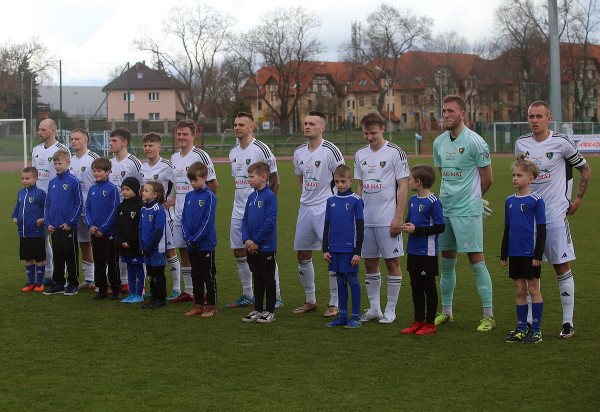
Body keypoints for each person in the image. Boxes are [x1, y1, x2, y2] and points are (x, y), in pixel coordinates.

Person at [514, 100, 591, 339]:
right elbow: (521, 175)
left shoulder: (561, 142)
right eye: (531, 116)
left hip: (555, 215)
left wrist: (577, 200)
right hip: (528, 218)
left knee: (561, 266)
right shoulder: (521, 143)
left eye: (539, 116)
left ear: (548, 119)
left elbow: (585, 169)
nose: (534, 120)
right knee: (529, 268)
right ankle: (528, 323)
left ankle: (568, 322)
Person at [432, 94, 495, 332]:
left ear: (463, 114)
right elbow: (443, 174)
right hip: (445, 209)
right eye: (444, 111)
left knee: (476, 261)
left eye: (451, 111)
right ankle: (447, 312)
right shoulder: (438, 142)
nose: (446, 115)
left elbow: (488, 178)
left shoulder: (476, 142)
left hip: (467, 211)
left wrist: (474, 199)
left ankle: (488, 315)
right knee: (446, 262)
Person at [354, 111, 409, 324]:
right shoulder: (360, 154)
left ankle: (390, 309)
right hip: (366, 219)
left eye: (373, 133)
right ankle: (375, 308)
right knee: (370, 263)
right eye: (366, 133)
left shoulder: (395, 152)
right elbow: (360, 185)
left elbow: (403, 185)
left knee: (392, 262)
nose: (369, 137)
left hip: (388, 219)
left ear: (383, 129)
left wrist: (398, 217)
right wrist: (357, 216)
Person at [227, 112, 282, 309]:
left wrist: (268, 207)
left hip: (259, 209)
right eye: (235, 124)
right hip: (239, 208)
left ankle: (276, 296)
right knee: (239, 250)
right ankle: (248, 294)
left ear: (251, 127)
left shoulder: (261, 149)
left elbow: (275, 180)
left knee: (264, 251)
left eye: (241, 124)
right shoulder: (233, 152)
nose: (237, 127)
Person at [292, 111, 345, 317]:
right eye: (305, 123)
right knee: (303, 255)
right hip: (305, 207)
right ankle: (310, 300)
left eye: (312, 124)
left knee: (331, 255)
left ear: (322, 128)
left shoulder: (330, 150)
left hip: (326, 208)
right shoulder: (298, 153)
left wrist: (336, 207)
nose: (307, 126)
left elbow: (341, 179)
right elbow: (301, 181)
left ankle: (334, 302)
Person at [169, 119, 218, 304]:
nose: (181, 137)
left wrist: (203, 208)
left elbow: (213, 184)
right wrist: (174, 200)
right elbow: (177, 185)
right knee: (184, 249)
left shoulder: (201, 155)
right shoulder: (174, 157)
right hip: (179, 212)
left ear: (193, 136)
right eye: (179, 134)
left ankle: (204, 291)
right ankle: (189, 291)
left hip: (196, 213)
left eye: (185, 134)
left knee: (199, 252)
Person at [501, 157, 546, 344]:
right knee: (520, 290)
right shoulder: (509, 201)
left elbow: (542, 229)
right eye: (514, 175)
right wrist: (504, 253)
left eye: (519, 175)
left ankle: (536, 330)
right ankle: (521, 329)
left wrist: (538, 254)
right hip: (515, 253)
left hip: (530, 253)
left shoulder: (536, 200)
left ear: (531, 179)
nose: (515, 178)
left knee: (533, 290)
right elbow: (508, 228)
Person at [400, 165, 445, 335]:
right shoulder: (412, 200)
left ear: (418, 182)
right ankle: (418, 321)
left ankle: (430, 324)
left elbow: (440, 227)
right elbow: (410, 219)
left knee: (428, 287)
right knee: (415, 287)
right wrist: (407, 225)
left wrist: (416, 230)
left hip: (427, 253)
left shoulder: (434, 202)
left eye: (410, 179)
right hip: (413, 251)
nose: (409, 181)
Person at [322, 164, 364, 329]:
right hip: (334, 249)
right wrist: (325, 249)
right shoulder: (330, 201)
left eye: (343, 181)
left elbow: (360, 228)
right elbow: (327, 226)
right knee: (340, 281)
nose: (340, 185)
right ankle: (343, 316)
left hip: (349, 250)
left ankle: (356, 317)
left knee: (352, 280)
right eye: (337, 181)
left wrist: (357, 252)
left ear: (350, 180)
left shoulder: (356, 201)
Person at [140, 132, 181, 301]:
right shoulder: (142, 167)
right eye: (145, 145)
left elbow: (182, 186)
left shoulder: (167, 166)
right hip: (148, 217)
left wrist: (172, 201)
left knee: (169, 251)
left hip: (165, 216)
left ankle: (177, 288)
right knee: (149, 249)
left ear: (159, 147)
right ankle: (153, 287)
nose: (147, 148)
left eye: (151, 145)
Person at [32, 118, 70, 285]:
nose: (39, 132)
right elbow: (34, 175)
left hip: (56, 201)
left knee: (59, 240)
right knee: (42, 239)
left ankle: (61, 276)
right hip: (38, 201)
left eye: (42, 129)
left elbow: (66, 176)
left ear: (52, 131)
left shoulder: (62, 150)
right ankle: (49, 274)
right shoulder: (36, 150)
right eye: (39, 129)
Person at [241, 161, 278, 323]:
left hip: (266, 246)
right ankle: (257, 309)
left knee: (268, 277)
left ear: (263, 177)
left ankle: (269, 311)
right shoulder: (251, 197)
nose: (249, 179)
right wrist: (247, 240)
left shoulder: (270, 197)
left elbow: (269, 222)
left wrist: (256, 241)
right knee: (257, 277)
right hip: (252, 246)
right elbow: (244, 220)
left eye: (251, 177)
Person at [42, 150, 83, 296]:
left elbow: (79, 203)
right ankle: (59, 283)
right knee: (58, 256)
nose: (57, 166)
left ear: (68, 163)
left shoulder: (74, 181)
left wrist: (70, 222)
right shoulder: (52, 182)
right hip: (54, 226)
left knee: (71, 256)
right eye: (55, 164)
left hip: (68, 226)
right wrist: (48, 222)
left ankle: (73, 284)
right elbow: (47, 204)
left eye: (60, 163)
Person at [109, 127, 144, 294]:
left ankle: (140, 284)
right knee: (118, 248)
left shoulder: (133, 162)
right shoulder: (109, 163)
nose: (110, 143)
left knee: (133, 247)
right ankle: (123, 282)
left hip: (131, 211)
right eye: (110, 140)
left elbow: (141, 187)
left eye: (114, 141)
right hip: (116, 211)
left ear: (124, 143)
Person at [181, 162, 218, 318]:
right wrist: (188, 237)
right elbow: (183, 219)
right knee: (195, 275)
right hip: (191, 244)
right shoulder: (189, 196)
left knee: (208, 275)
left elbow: (207, 221)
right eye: (190, 180)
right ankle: (198, 305)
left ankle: (212, 306)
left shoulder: (210, 196)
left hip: (205, 244)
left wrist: (196, 238)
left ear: (204, 177)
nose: (192, 183)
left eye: (195, 180)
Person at [85, 158, 121, 300]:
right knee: (98, 261)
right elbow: (87, 208)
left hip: (109, 232)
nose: (96, 173)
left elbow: (114, 210)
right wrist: (90, 225)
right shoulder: (92, 189)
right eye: (94, 171)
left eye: (99, 171)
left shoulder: (112, 189)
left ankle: (116, 289)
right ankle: (102, 289)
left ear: (108, 172)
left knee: (112, 262)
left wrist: (103, 228)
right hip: (95, 232)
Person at [69, 128, 99, 291]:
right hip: (76, 210)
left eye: (77, 139)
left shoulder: (93, 158)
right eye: (72, 139)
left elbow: (101, 182)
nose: (73, 141)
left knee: (98, 244)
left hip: (93, 210)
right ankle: (89, 279)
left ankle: (102, 279)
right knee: (84, 244)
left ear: (85, 140)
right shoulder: (70, 160)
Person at [12, 167, 47, 292]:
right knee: (27, 258)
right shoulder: (21, 193)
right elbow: (17, 207)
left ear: (36, 179)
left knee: (39, 258)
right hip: (24, 233)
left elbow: (48, 208)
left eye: (27, 178)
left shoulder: (40, 193)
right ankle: (31, 283)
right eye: (23, 178)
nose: (24, 181)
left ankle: (40, 283)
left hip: (36, 233)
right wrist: (14, 216)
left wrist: (42, 220)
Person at [115, 177, 144, 303]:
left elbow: (139, 227)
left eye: (127, 189)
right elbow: (117, 226)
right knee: (130, 269)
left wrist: (130, 242)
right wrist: (121, 241)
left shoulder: (140, 206)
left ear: (135, 190)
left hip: (135, 245)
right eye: (122, 189)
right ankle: (132, 293)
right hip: (124, 245)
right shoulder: (121, 206)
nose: (124, 192)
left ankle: (139, 293)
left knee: (138, 269)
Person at [139, 182, 168, 309]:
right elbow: (140, 229)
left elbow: (158, 232)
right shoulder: (143, 209)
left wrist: (148, 247)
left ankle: (160, 299)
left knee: (158, 275)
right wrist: (142, 246)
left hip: (156, 249)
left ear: (155, 194)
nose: (143, 192)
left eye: (146, 190)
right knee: (150, 274)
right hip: (147, 249)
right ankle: (154, 297)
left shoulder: (158, 210)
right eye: (143, 190)